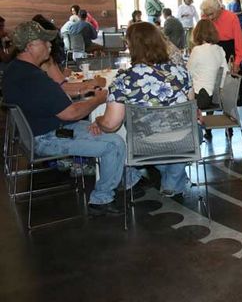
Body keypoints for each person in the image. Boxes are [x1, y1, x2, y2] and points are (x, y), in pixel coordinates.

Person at [3, 21, 133, 216]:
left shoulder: (16, 70)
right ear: (30, 46)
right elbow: (71, 113)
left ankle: (126, 179)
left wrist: (89, 114)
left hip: (42, 132)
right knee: (114, 143)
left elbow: (58, 104)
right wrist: (99, 99)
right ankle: (101, 199)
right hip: (48, 138)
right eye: (44, 42)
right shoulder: (33, 78)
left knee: (104, 129)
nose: (49, 45)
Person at [92, 22, 190, 198]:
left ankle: (133, 177)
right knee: (189, 130)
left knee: (116, 133)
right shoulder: (181, 72)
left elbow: (111, 125)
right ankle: (173, 181)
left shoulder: (124, 80)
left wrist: (97, 121)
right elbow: (191, 107)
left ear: (132, 47)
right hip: (184, 142)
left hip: (145, 146)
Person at [200, 0, 242, 106]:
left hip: (229, 52)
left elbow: (239, 42)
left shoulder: (231, 17)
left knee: (231, 89)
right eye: (207, 14)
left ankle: (231, 114)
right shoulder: (205, 18)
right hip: (212, 52)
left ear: (219, 9)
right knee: (211, 86)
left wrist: (237, 62)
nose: (210, 18)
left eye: (212, 14)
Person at [188, 19, 228, 109]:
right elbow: (225, 73)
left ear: (197, 33)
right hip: (215, 98)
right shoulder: (219, 49)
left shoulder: (197, 50)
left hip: (201, 97)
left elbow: (188, 73)